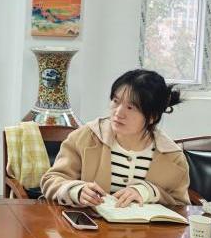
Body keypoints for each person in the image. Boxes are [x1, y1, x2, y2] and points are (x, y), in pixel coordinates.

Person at [41, 69, 189, 207]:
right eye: (116, 101)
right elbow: (51, 180)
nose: (118, 112)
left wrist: (148, 192)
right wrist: (76, 191)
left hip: (145, 227)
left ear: (152, 117)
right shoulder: (85, 137)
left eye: (130, 107)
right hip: (89, 225)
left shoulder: (173, 157)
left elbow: (181, 206)